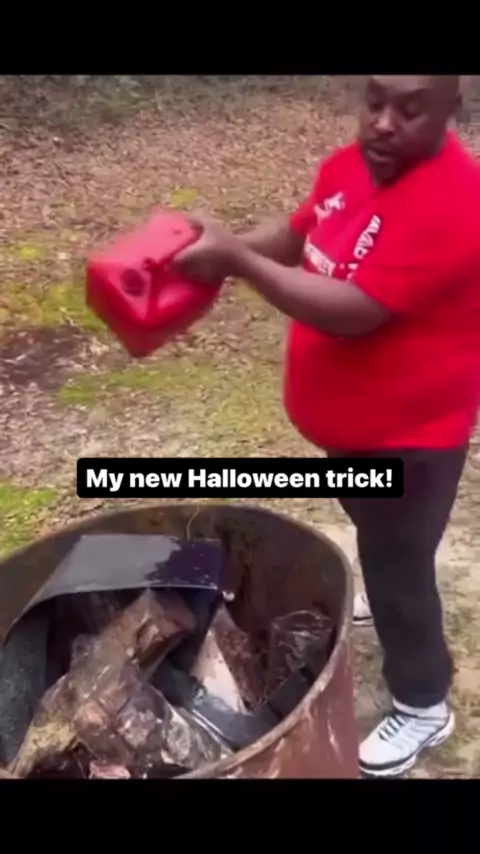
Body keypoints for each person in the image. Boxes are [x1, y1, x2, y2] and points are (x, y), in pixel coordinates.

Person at [172, 75, 480, 778]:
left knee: (402, 572)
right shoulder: (351, 165)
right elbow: (297, 234)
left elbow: (354, 310)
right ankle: (386, 569)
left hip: (412, 439)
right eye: (376, 100)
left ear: (451, 108)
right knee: (381, 536)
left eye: (411, 109)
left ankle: (423, 704)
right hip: (355, 432)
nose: (385, 122)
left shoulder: (456, 201)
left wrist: (238, 262)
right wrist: (228, 254)